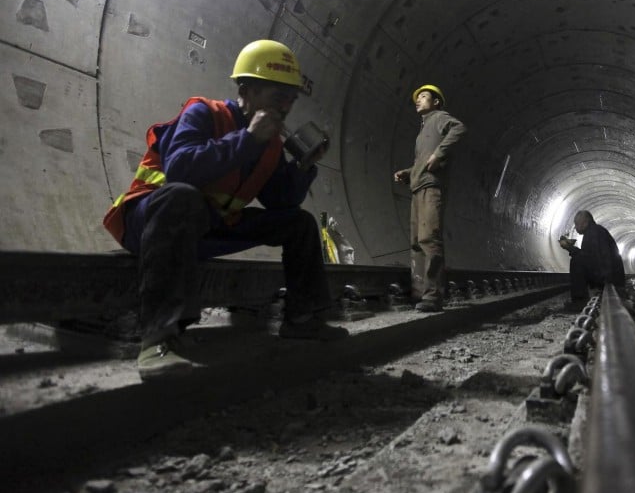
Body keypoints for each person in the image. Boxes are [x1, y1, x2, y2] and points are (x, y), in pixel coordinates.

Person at [103, 39, 347, 381]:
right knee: (182, 196)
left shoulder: (271, 144)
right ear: (246, 91)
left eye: (291, 98)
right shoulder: (204, 113)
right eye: (278, 95)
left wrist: (303, 167)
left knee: (300, 224)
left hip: (208, 227)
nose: (286, 105)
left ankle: (302, 320)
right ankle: (158, 338)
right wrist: (247, 139)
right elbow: (181, 169)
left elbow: (281, 202)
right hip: (152, 224)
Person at [393, 84, 466, 312]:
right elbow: (421, 162)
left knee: (428, 239)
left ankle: (433, 295)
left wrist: (439, 153)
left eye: (424, 96)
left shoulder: (439, 118)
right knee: (416, 242)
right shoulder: (422, 133)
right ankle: (419, 293)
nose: (419, 100)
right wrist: (408, 172)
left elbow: (459, 128)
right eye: (417, 97)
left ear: (435, 102)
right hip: (418, 187)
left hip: (431, 187)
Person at [559, 210, 626, 306]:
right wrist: (571, 248)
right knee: (578, 258)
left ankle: (579, 301)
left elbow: (590, 258)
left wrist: (570, 248)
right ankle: (581, 298)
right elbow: (590, 257)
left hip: (611, 279)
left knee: (576, 261)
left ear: (585, 222)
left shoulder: (593, 232)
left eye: (577, 224)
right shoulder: (595, 230)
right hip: (612, 277)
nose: (576, 227)